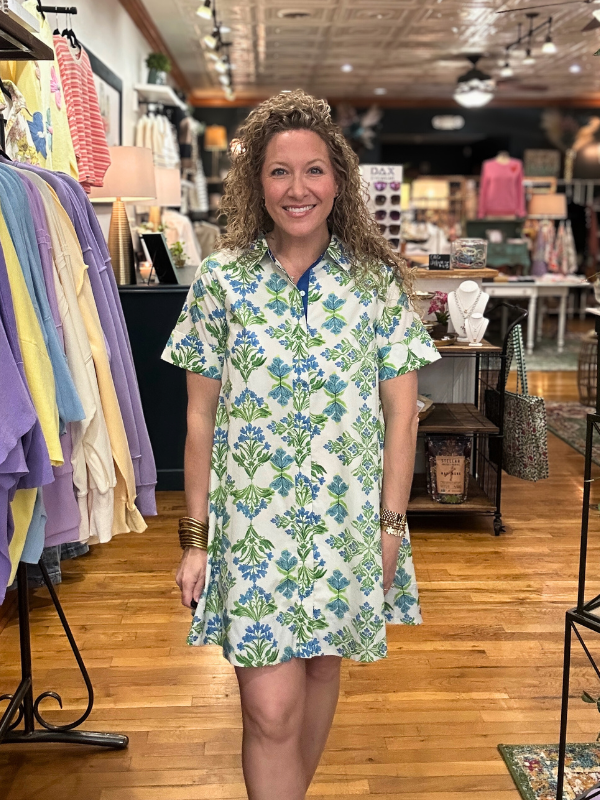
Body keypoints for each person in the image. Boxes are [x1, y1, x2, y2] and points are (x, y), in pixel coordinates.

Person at [162, 90, 440, 800]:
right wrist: (195, 539)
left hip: (350, 526)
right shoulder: (223, 281)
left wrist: (390, 525)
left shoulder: (374, 283)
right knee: (268, 707)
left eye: (313, 171)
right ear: (257, 182)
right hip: (251, 529)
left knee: (321, 671)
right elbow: (199, 420)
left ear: (338, 182)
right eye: (280, 172)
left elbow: (402, 417)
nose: (297, 189)